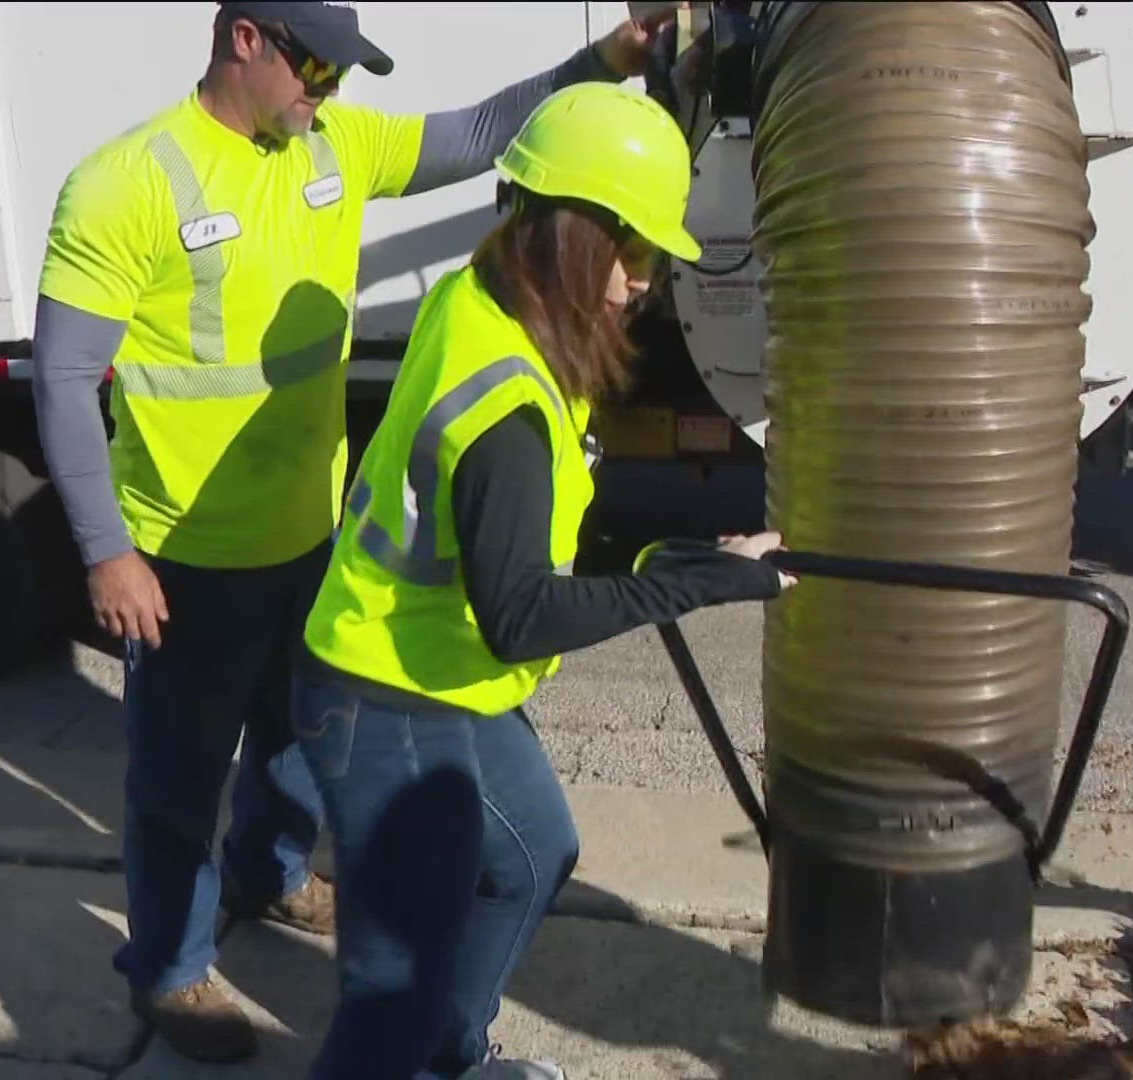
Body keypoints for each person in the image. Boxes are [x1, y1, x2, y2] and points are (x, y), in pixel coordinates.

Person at [28, 1, 681, 1064]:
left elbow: (481, 134)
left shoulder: (332, 142)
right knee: (177, 783)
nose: (328, 91)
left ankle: (272, 876)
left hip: (313, 538)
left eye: (339, 73)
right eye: (314, 67)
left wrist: (600, 61)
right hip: (184, 554)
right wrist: (108, 549)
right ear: (244, 38)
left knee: (294, 747)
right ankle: (171, 971)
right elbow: (60, 377)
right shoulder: (126, 182)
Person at [292, 80, 793, 1080]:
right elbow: (522, 615)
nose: (642, 283)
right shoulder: (510, 403)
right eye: (638, 253)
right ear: (578, 236)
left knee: (529, 857)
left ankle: (453, 1055)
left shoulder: (479, 296)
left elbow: (519, 562)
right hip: (388, 700)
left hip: (447, 674)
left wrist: (692, 562)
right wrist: (701, 586)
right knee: (388, 993)